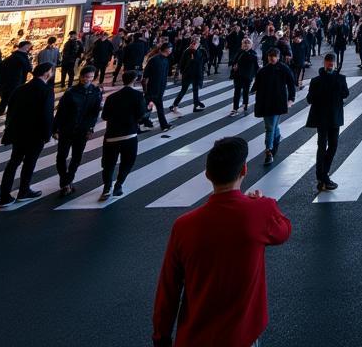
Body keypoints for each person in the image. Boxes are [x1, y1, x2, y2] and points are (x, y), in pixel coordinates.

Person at [153, 136, 292, 347]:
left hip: (194, 337)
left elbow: (169, 287)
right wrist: (262, 202)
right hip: (241, 336)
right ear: (244, 170)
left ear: (207, 175)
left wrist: (161, 336)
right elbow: (284, 231)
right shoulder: (259, 212)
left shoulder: (183, 226)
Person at [0, 61, 55, 206]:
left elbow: (10, 112)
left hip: (18, 132)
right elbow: (47, 115)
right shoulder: (46, 90)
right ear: (47, 73)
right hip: (35, 134)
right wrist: (48, 134)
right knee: (29, 163)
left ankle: (4, 196)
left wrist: (9, 131)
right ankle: (24, 191)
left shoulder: (20, 89)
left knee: (13, 163)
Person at [53, 64, 103, 197]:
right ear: (81, 77)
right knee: (61, 156)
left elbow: (95, 113)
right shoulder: (71, 92)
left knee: (77, 156)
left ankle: (67, 181)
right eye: (86, 77)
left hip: (83, 129)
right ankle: (65, 181)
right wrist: (55, 128)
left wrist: (91, 128)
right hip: (67, 128)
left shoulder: (96, 91)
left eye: (91, 77)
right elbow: (61, 112)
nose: (88, 80)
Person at [99, 69, 147, 200]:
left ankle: (107, 187)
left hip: (111, 136)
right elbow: (141, 116)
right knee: (127, 162)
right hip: (129, 135)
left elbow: (105, 116)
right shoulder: (138, 96)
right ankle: (118, 185)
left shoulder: (112, 97)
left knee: (108, 164)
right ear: (134, 80)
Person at [306, 52, 349, 192]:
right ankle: (323, 176)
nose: (330, 65)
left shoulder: (340, 79)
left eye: (332, 63)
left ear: (335, 64)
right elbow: (309, 99)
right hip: (323, 117)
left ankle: (323, 175)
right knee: (322, 146)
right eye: (328, 62)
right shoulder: (316, 81)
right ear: (324, 63)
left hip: (334, 116)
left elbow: (345, 94)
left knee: (333, 145)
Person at [252, 47, 296, 166]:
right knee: (273, 126)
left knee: (270, 127)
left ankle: (268, 151)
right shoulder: (263, 70)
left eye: (274, 56)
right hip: (265, 102)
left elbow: (291, 84)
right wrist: (253, 91)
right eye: (270, 57)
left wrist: (291, 99)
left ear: (278, 57)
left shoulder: (283, 69)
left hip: (277, 101)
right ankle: (275, 142)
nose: (271, 58)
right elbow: (256, 85)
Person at [0, 40, 32, 116]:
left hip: (8, 81)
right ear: (25, 47)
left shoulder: (12, 56)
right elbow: (28, 68)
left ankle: (0, 111)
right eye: (29, 47)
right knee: (11, 98)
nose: (30, 49)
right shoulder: (22, 57)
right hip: (16, 81)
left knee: (6, 98)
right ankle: (7, 112)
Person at [171, 37, 207, 113]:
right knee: (184, 90)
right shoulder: (188, 51)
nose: (197, 44)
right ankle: (175, 104)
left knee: (195, 90)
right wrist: (180, 72)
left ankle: (196, 104)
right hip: (188, 74)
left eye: (197, 42)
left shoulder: (199, 50)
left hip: (195, 74)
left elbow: (203, 60)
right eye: (196, 42)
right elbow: (183, 63)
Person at [143, 43, 173, 132]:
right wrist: (145, 89)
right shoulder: (154, 60)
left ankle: (145, 122)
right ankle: (163, 125)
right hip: (153, 88)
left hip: (159, 88)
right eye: (170, 49)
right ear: (166, 49)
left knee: (149, 106)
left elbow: (165, 75)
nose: (171, 51)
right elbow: (145, 76)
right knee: (153, 107)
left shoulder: (165, 60)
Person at [230, 37, 259, 116]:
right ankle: (235, 108)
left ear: (251, 45)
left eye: (248, 43)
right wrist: (234, 67)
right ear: (242, 44)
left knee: (246, 91)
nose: (246, 44)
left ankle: (245, 104)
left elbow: (255, 65)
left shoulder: (253, 53)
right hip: (238, 75)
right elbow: (234, 61)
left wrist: (257, 76)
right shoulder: (239, 52)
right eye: (244, 43)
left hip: (247, 76)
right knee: (237, 92)